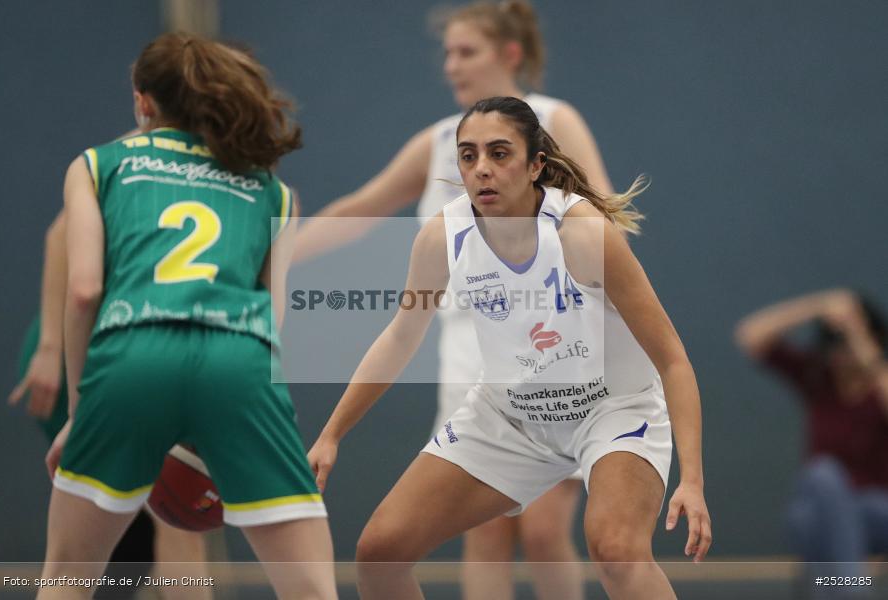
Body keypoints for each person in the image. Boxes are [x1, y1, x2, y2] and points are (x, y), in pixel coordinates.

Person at [308, 96, 711, 600]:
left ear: (535, 164)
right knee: (379, 553)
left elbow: (672, 358)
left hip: (612, 411)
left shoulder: (581, 232)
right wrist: (332, 434)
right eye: (468, 155)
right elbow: (400, 337)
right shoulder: (444, 236)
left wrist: (692, 480)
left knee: (615, 550)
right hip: (510, 415)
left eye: (499, 153)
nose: (482, 169)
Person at [293, 3, 612, 596]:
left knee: (544, 529)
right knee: (483, 531)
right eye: (447, 53)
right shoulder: (442, 141)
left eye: (466, 51)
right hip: (469, 351)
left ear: (509, 54)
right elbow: (360, 208)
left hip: (553, 346)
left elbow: (606, 220)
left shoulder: (554, 120)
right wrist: (272, 256)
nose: (451, 65)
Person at [37, 32, 337, 600]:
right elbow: (273, 320)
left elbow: (83, 291)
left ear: (143, 102)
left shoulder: (98, 164)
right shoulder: (274, 192)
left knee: (68, 579)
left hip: (132, 353)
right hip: (239, 363)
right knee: (313, 590)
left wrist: (80, 413)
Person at [10, 209, 211, 600]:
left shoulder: (250, 194)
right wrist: (50, 346)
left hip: (143, 357)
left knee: (158, 517)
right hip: (94, 357)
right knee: (171, 514)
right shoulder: (138, 170)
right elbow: (60, 237)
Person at [735, 289, 888, 596]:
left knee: (813, 519)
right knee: (818, 487)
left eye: (848, 345)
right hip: (825, 511)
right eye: (836, 345)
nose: (843, 355)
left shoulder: (880, 383)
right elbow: (751, 335)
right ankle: (850, 588)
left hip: (877, 510)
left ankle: (848, 589)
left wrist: (858, 335)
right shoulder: (819, 379)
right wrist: (818, 307)